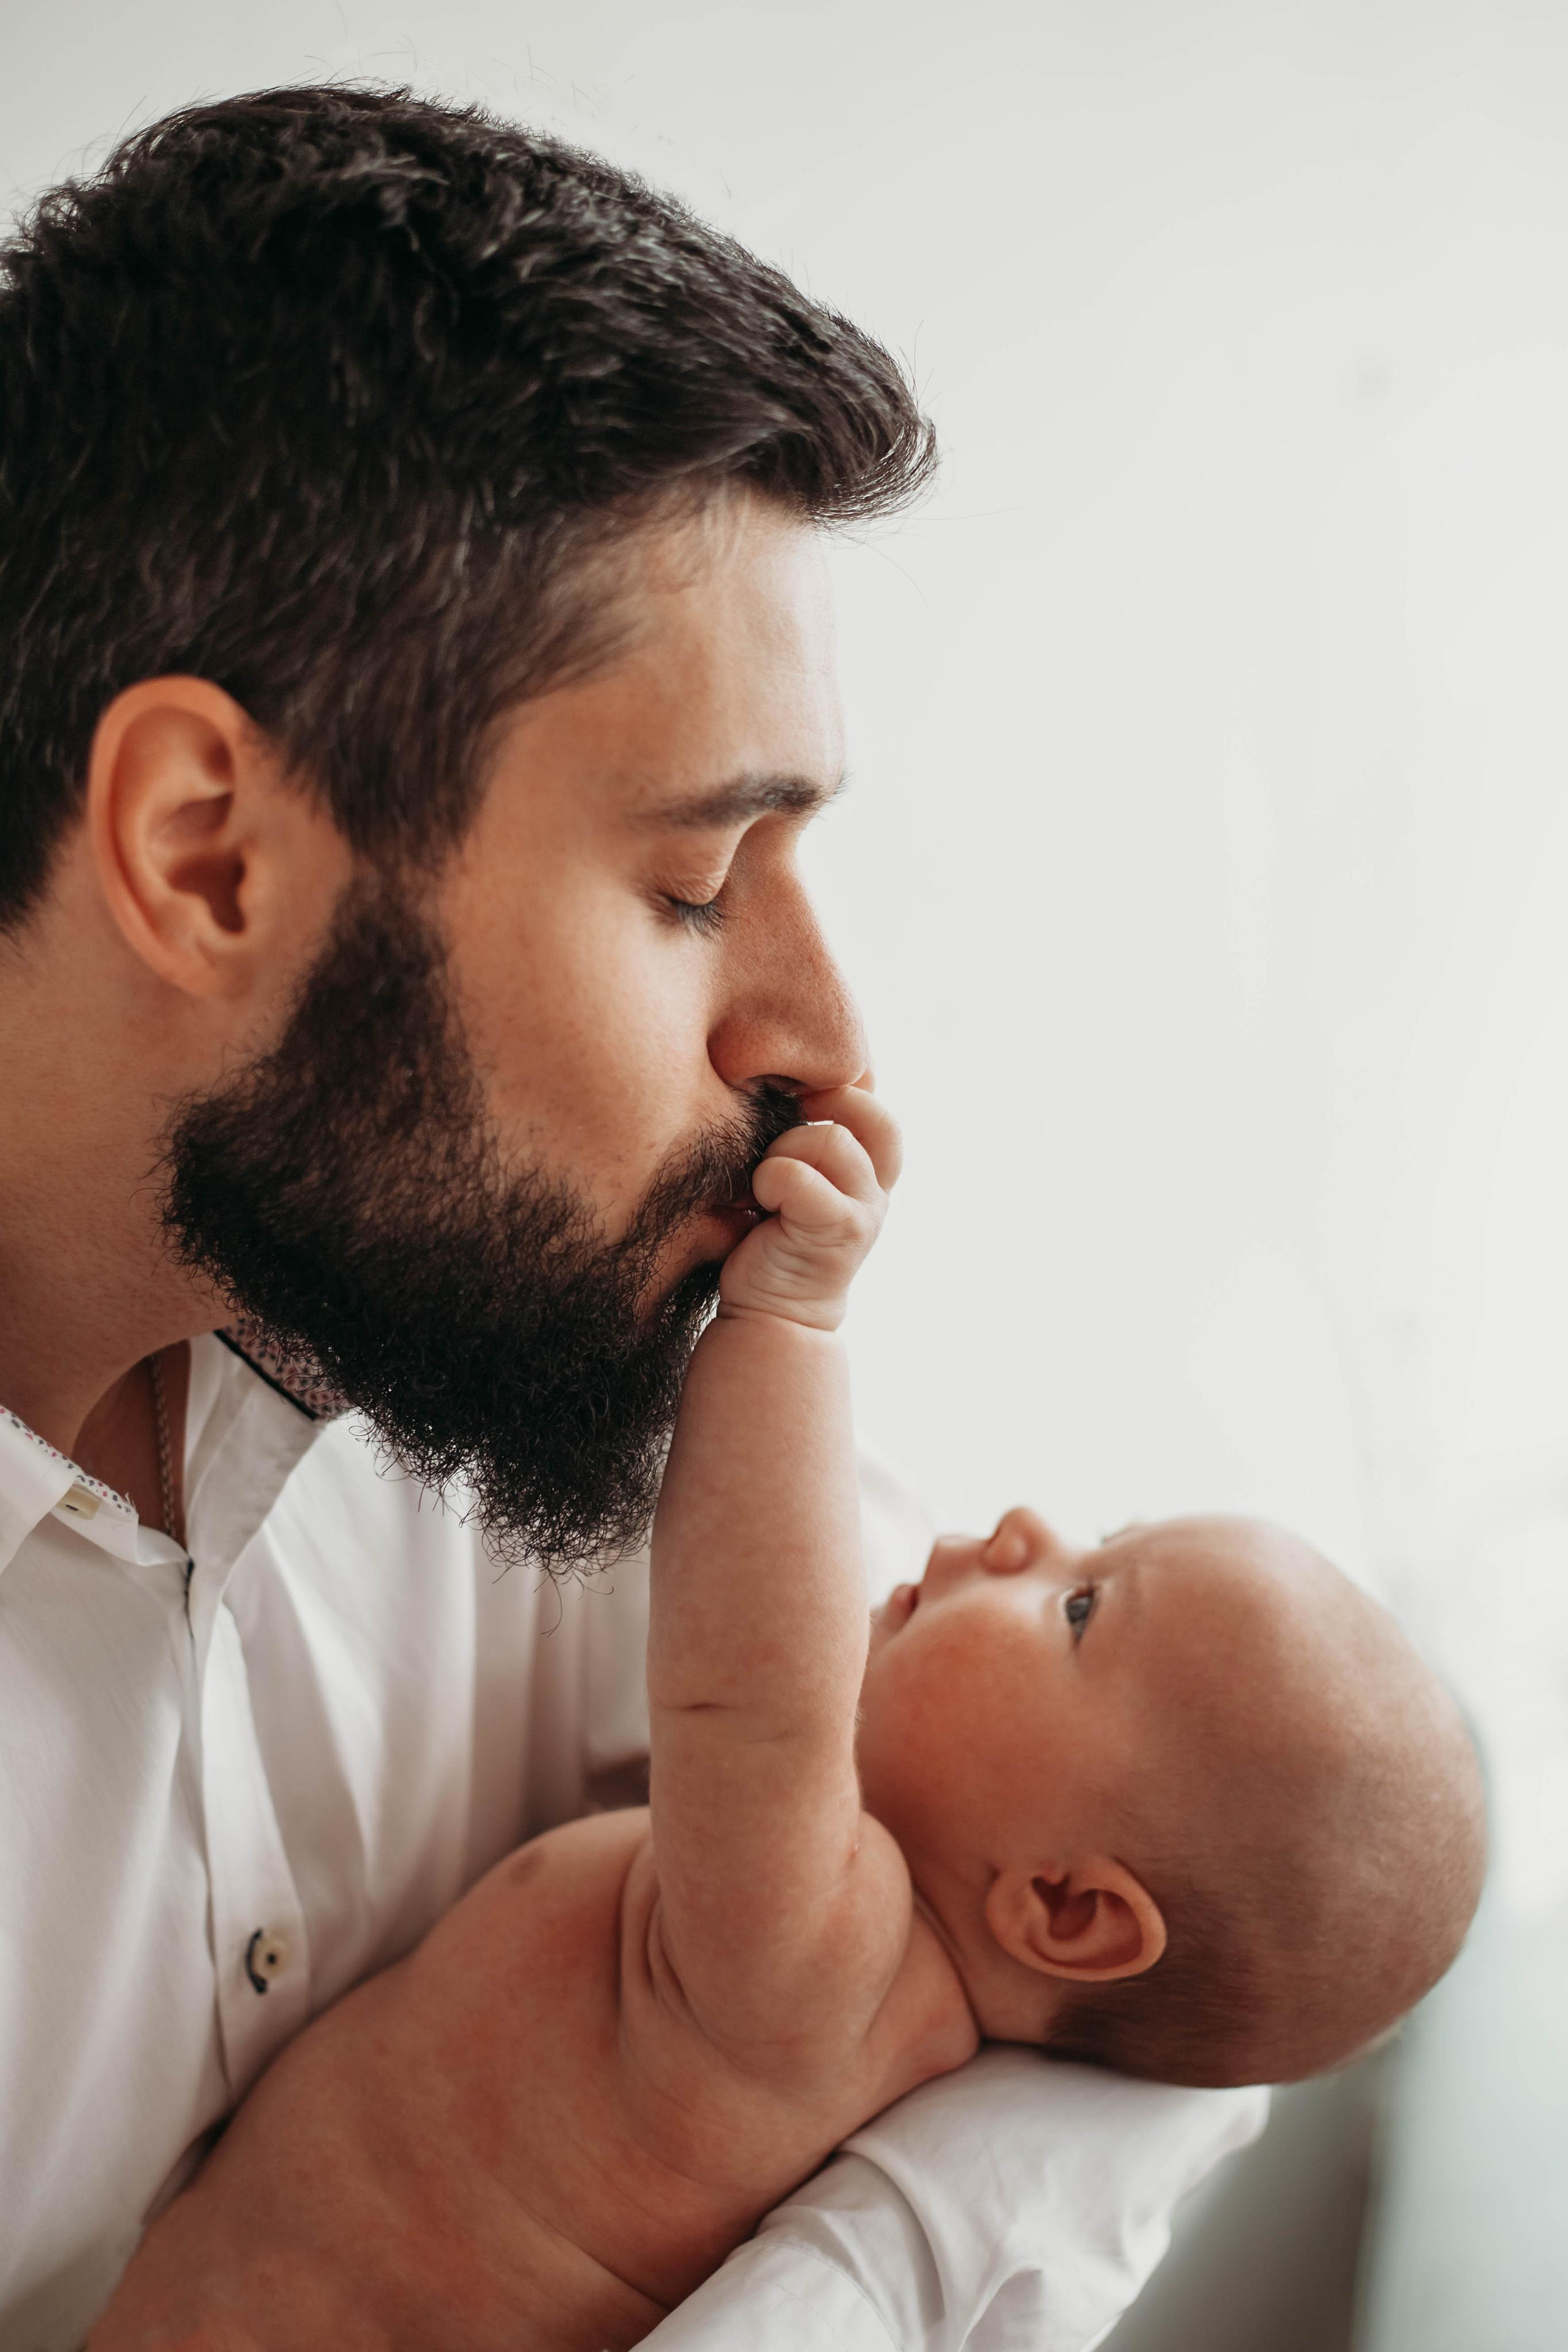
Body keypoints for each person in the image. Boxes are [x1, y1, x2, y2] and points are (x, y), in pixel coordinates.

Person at [0, 85, 1267, 2351]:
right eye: (694, 883)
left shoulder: (509, 1324)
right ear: (206, 854)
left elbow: (1218, 1948)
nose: (823, 1033)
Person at [87, 1085, 1485, 2350]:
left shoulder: (828, 1974)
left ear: (1062, 1908)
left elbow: (751, 1686)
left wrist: (791, 1323)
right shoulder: (834, 1988)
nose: (1019, 1530)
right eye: (1090, 1539)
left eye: (1079, 1607)